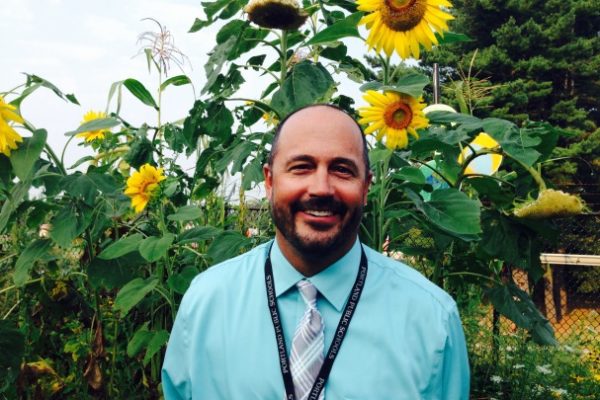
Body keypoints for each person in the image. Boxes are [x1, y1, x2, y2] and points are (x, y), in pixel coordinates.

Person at [161, 104, 470, 399]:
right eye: (301, 167)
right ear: (269, 181)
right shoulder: (206, 305)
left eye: (342, 170)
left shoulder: (432, 320)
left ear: (366, 187)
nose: (321, 188)